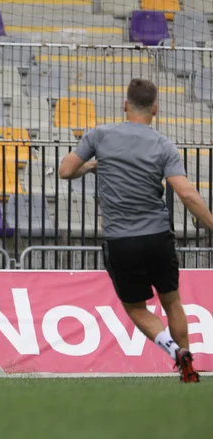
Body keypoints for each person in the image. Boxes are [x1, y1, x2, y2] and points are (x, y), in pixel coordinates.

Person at [58, 78, 206, 383]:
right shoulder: (164, 145)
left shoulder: (99, 135)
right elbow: (186, 193)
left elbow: (65, 171)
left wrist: (91, 166)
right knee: (172, 301)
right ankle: (187, 363)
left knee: (137, 309)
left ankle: (172, 351)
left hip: (121, 241)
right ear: (156, 109)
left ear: (125, 105)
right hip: (157, 237)